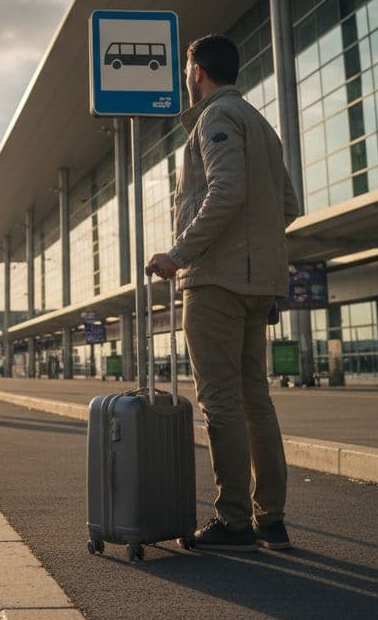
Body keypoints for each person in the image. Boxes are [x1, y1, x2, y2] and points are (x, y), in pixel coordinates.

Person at [146, 34, 300, 552]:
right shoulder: (261, 124)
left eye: (187, 68)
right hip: (258, 285)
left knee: (220, 401)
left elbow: (226, 189)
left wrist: (179, 253)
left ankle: (233, 521)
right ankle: (270, 521)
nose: (185, 77)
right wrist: (258, 256)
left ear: (196, 72)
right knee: (255, 398)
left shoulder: (215, 119)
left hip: (215, 282)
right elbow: (288, 205)